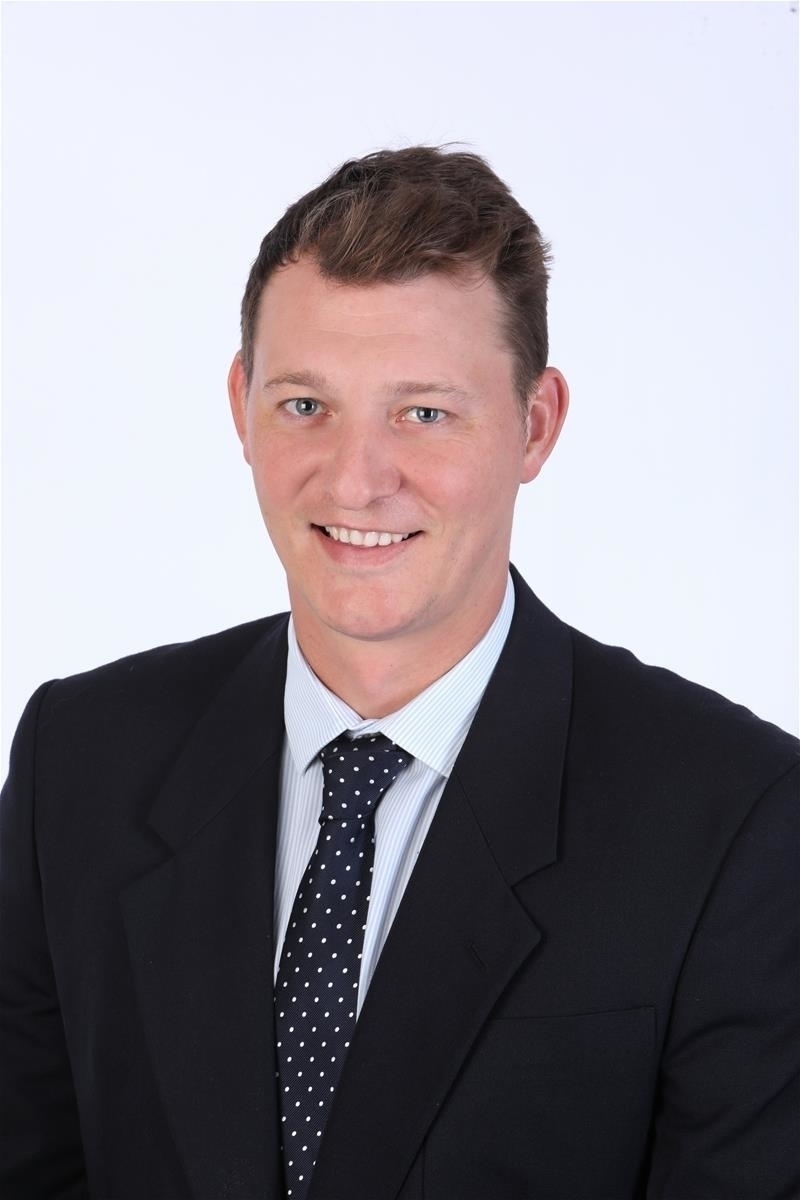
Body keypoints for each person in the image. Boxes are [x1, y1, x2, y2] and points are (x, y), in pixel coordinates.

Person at [1, 146, 797, 1200]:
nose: (356, 480)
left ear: (535, 426)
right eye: (305, 405)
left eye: (423, 413)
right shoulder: (80, 761)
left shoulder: (733, 817)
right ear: (241, 405)